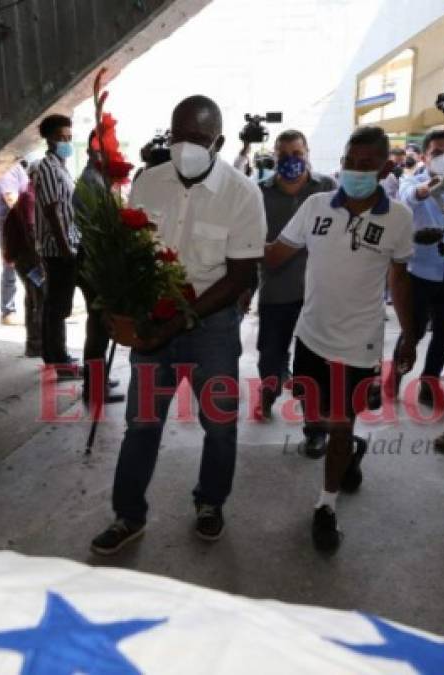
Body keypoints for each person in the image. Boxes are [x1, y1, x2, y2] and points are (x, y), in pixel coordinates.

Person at [90, 95, 266, 555]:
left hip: (213, 326)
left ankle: (210, 503)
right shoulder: (149, 182)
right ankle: (128, 515)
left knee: (220, 426)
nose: (185, 146)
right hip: (152, 321)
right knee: (142, 425)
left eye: (198, 139)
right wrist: (119, 307)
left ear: (219, 142)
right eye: (178, 136)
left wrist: (174, 328)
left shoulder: (243, 195)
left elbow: (241, 278)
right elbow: (131, 254)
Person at [265, 126, 418, 552]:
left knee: (338, 422)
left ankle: (326, 505)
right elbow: (276, 252)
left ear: (385, 167)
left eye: (366, 165)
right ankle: (351, 447)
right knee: (317, 413)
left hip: (359, 343)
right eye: (350, 161)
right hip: (311, 334)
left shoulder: (399, 217)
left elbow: (400, 278)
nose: (355, 170)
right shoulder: (316, 205)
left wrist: (409, 333)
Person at [254, 130, 337, 460]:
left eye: (296, 152)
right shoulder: (259, 193)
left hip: (318, 293)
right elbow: (247, 242)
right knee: (270, 354)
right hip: (275, 292)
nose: (291, 159)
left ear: (307, 152)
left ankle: (315, 428)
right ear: (275, 155)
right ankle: (269, 390)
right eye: (283, 153)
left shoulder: (327, 188)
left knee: (313, 365)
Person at [393, 129, 444, 407]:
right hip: (419, 273)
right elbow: (409, 197)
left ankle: (429, 381)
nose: (443, 157)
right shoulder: (412, 182)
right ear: (425, 156)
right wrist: (431, 186)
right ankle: (395, 379)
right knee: (411, 332)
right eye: (437, 153)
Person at [74, 132, 124, 405]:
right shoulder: (91, 183)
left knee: (100, 326)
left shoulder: (99, 179)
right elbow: (99, 228)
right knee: (98, 326)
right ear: (95, 152)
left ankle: (99, 378)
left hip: (96, 258)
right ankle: (94, 388)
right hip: (93, 260)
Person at [34, 114, 81, 377]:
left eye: (69, 137)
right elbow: (52, 212)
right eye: (62, 137)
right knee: (58, 306)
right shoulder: (47, 167)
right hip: (57, 248)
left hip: (68, 243)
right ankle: (59, 361)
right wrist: (65, 250)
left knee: (57, 305)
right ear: (49, 138)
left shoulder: (61, 165)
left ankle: (55, 356)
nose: (66, 141)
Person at [1, 180, 42, 359]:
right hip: (29, 258)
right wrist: (40, 261)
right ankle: (40, 345)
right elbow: (31, 232)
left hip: (24, 257)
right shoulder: (30, 199)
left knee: (33, 299)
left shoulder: (29, 196)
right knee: (39, 300)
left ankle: (34, 345)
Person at [0, 162, 30, 325]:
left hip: (19, 224)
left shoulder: (17, 166)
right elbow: (11, 199)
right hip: (10, 227)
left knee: (23, 266)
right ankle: (8, 311)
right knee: (10, 266)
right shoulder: (5, 168)